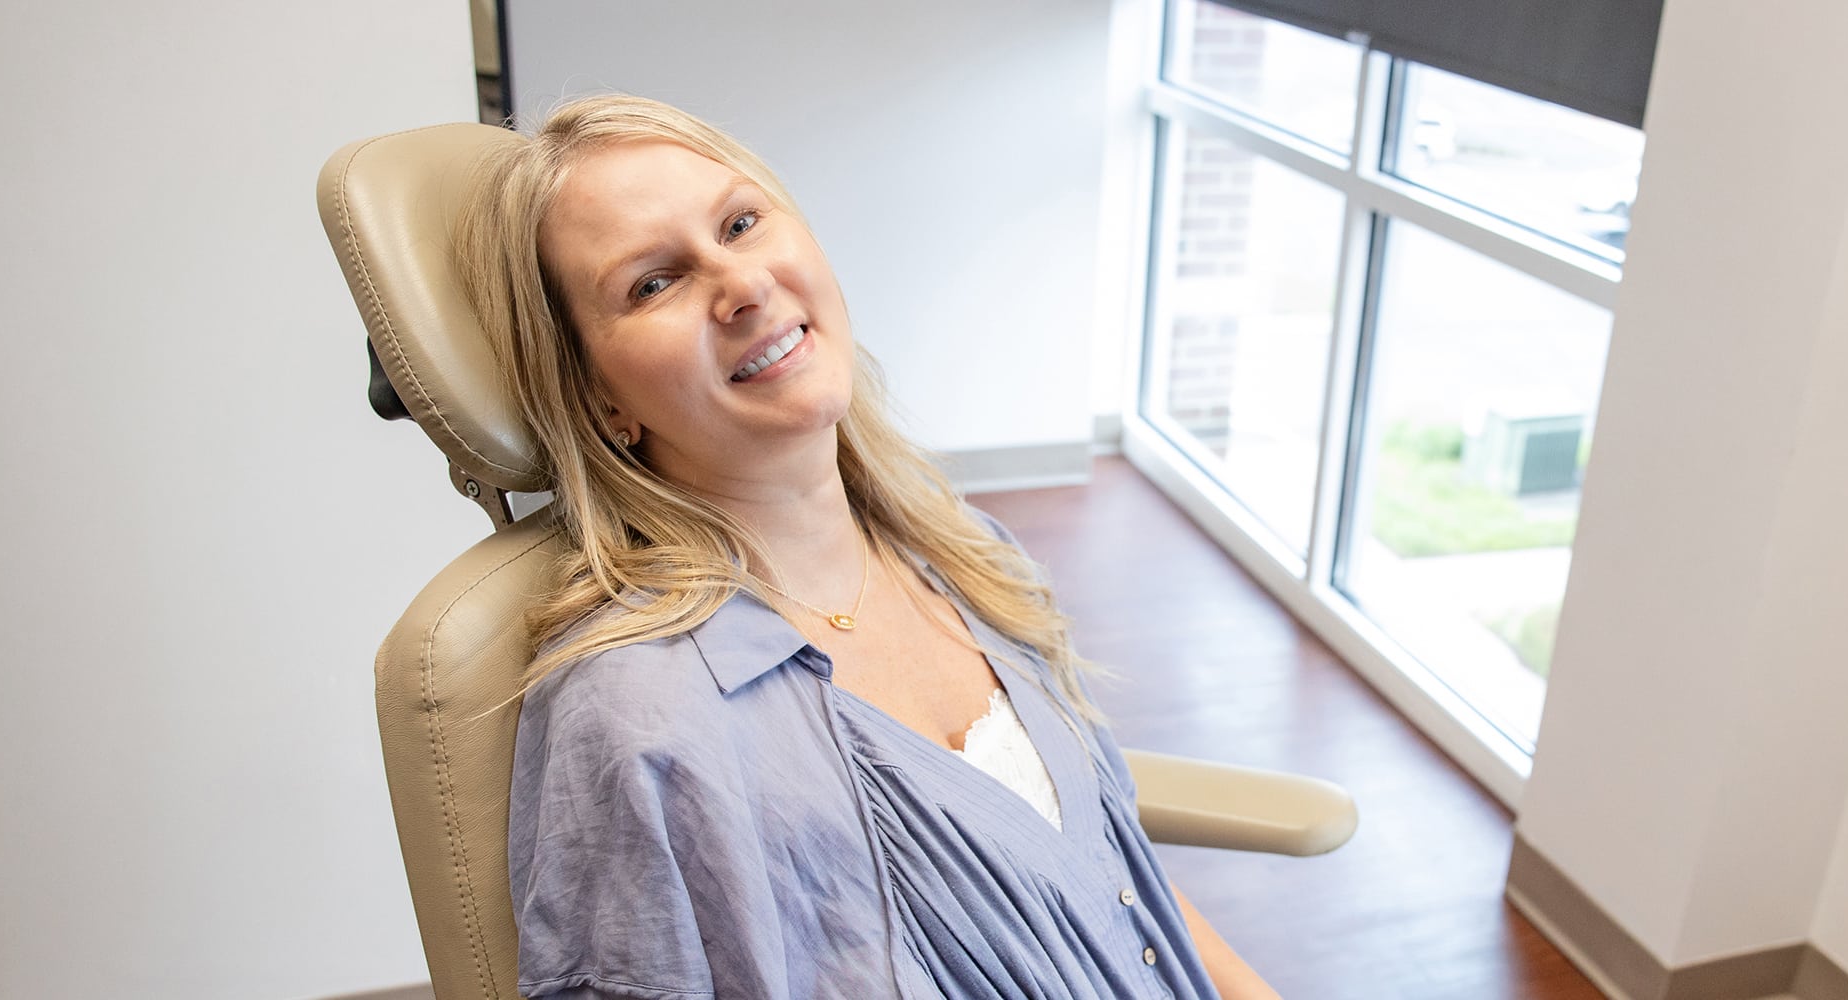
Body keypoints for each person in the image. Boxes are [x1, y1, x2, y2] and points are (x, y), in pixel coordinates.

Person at [457, 93, 1278, 999]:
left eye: (741, 222)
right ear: (600, 399)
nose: (743, 287)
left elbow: (1123, 882)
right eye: (653, 283)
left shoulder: (961, 553)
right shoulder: (644, 717)